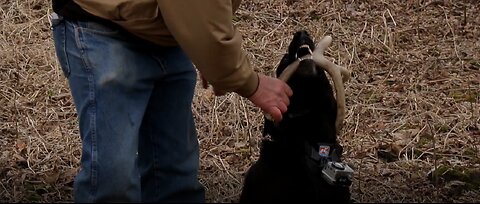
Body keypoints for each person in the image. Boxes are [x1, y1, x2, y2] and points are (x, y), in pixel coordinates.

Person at [50, 0, 293, 203]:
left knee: (174, 175)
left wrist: (208, 51)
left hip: (166, 29)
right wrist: (250, 83)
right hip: (103, 27)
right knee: (113, 183)